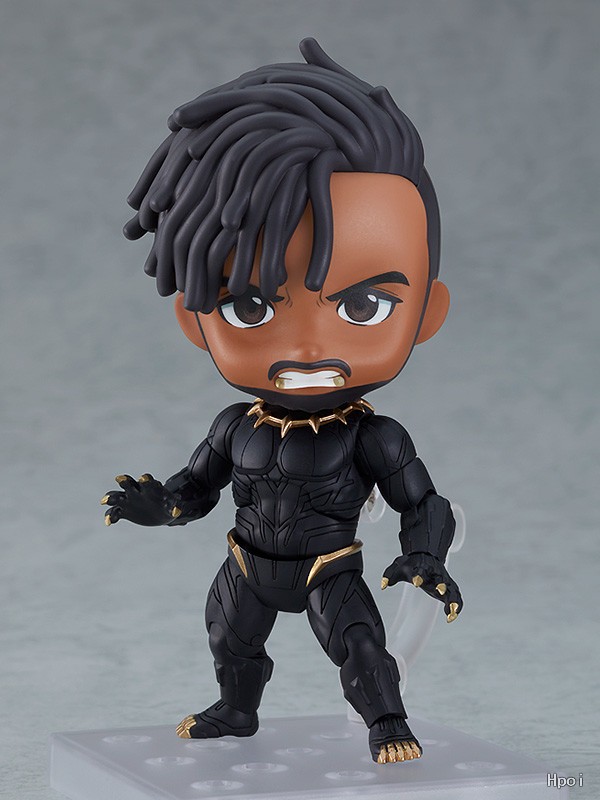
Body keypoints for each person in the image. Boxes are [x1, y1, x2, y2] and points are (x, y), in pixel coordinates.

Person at [101, 38, 462, 765]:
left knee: (360, 647)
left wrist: (425, 556)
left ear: (427, 313)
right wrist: (160, 507)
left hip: (329, 566)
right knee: (227, 638)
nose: (307, 347)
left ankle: (388, 724)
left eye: (362, 306)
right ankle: (238, 712)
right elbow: (196, 488)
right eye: (250, 306)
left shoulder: (373, 436)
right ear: (195, 320)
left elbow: (423, 501)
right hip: (246, 562)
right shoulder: (235, 426)